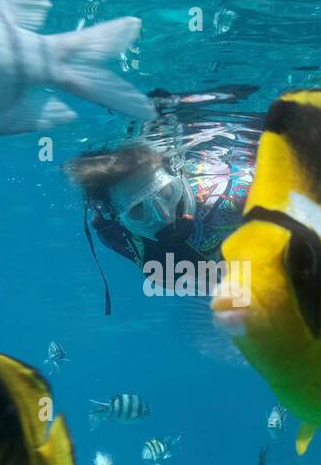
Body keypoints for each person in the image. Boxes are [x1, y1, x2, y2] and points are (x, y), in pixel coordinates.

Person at [65, 85, 261, 313]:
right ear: (118, 217)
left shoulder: (233, 193)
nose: (164, 216)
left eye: (167, 193)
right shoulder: (116, 235)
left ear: (177, 171)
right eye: (138, 211)